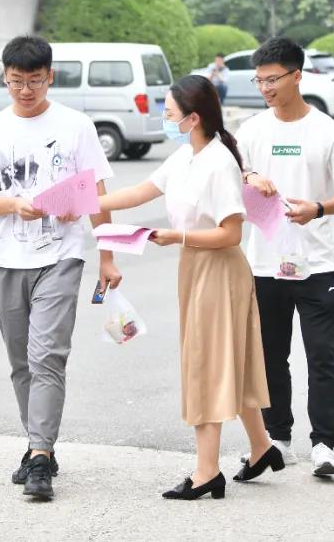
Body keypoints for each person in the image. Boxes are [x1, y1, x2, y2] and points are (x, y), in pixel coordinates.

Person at [98, 74, 281, 501]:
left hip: (219, 270)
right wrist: (83, 203)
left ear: (193, 118)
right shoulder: (185, 156)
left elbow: (231, 234)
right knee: (230, 362)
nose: (165, 119)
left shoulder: (219, 163)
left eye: (169, 113)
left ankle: (206, 472)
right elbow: (139, 192)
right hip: (195, 266)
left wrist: (177, 236)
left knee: (205, 363)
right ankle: (261, 448)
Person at [0, 35, 121, 501]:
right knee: (20, 361)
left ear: (50, 77)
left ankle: (41, 456)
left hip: (61, 256)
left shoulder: (76, 126)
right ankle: (37, 443)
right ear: (4, 79)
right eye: (16, 82)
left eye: (34, 81)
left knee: (47, 354)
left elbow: (97, 194)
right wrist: (13, 204)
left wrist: (107, 254)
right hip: (6, 258)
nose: (25, 90)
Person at [235, 38, 334, 478]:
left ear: (297, 76)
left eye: (273, 79)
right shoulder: (252, 130)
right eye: (259, 81)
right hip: (265, 262)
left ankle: (324, 444)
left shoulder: (327, 131)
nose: (265, 88)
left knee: (322, 355)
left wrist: (319, 208)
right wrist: (250, 175)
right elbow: (232, 174)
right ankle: (278, 439)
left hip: (317, 263)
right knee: (271, 355)